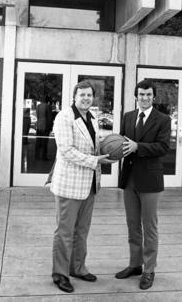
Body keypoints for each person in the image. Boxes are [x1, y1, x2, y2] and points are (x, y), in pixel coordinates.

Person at [50, 80, 114, 293]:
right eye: (82, 95)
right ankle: (60, 274)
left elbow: (94, 147)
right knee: (64, 231)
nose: (86, 98)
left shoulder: (92, 118)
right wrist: (96, 161)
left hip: (89, 185)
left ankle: (77, 267)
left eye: (89, 95)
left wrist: (109, 153)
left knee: (82, 231)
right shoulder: (64, 117)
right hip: (69, 184)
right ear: (74, 96)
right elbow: (66, 150)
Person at [115, 79, 171, 290]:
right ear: (136, 96)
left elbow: (163, 147)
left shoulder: (163, 119)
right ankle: (135, 264)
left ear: (153, 97)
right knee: (132, 224)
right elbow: (121, 143)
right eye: (141, 94)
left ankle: (149, 270)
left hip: (150, 180)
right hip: (129, 178)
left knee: (149, 226)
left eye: (148, 95)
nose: (145, 98)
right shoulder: (128, 116)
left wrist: (138, 146)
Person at [35, 95, 53, 160]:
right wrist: (50, 127)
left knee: (38, 141)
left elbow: (37, 116)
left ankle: (36, 156)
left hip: (39, 125)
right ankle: (43, 156)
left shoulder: (38, 106)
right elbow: (49, 118)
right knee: (45, 142)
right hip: (45, 126)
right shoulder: (48, 106)